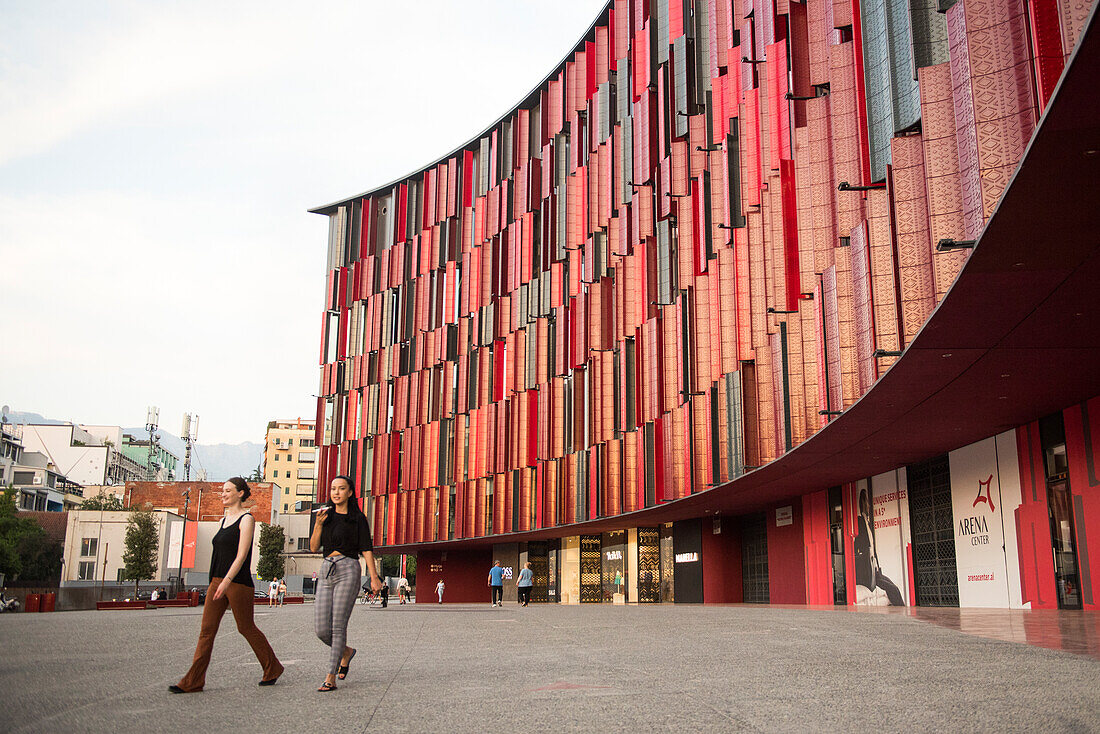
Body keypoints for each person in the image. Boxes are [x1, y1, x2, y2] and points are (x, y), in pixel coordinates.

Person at [169, 478, 283, 693]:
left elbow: (241, 556)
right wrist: (216, 582)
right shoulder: (222, 520)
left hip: (237, 582)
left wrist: (227, 581)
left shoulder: (246, 519)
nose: (223, 494)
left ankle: (272, 667)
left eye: (228, 490)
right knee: (206, 631)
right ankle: (193, 681)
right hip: (217, 581)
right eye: (223, 490)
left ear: (240, 493)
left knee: (246, 627)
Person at [310, 475, 384, 692]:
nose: (336, 492)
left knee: (338, 625)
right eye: (333, 488)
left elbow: (366, 549)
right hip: (326, 569)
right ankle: (346, 652)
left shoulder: (357, 518)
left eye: (341, 489)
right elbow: (314, 547)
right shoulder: (325, 516)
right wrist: (317, 525)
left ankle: (330, 676)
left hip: (349, 569)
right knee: (322, 630)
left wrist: (374, 576)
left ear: (350, 493)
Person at [854, 487, 905, 606]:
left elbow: (872, 548)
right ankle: (903, 612)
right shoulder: (860, 522)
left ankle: (901, 609)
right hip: (867, 571)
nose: (868, 505)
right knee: (893, 590)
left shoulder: (868, 522)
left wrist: (878, 567)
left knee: (894, 587)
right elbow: (860, 547)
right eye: (866, 502)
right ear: (862, 504)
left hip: (876, 569)